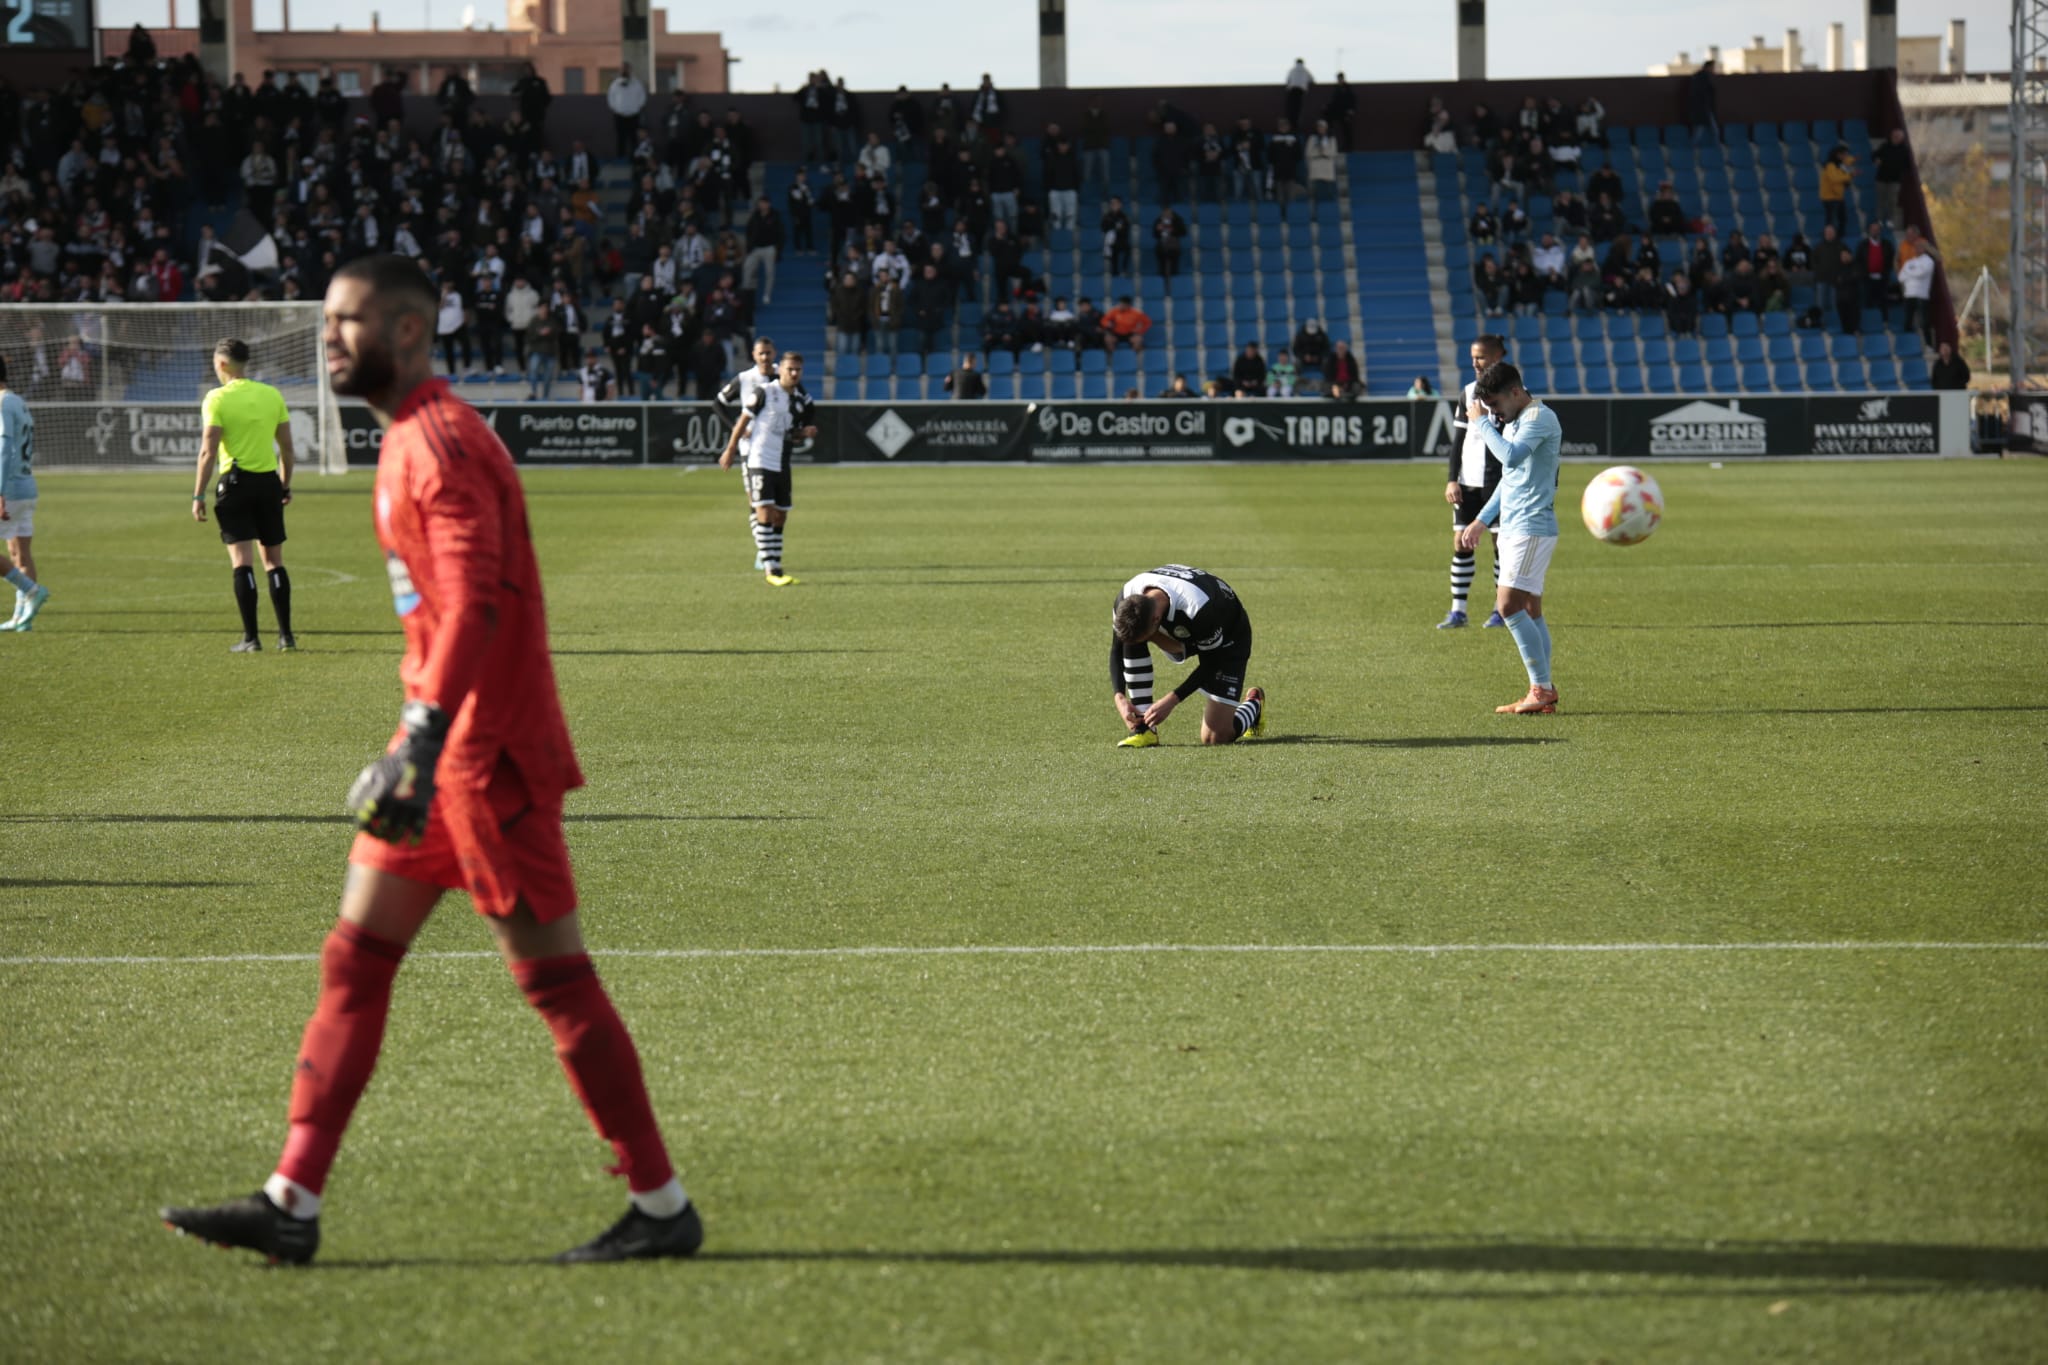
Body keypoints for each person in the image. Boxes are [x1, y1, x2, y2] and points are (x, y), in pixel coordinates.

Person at [160, 255, 700, 1267]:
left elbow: (474, 605)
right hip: (442, 755)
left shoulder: (441, 445)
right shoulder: (413, 435)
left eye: (348, 321)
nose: (328, 338)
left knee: (558, 985)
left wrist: (418, 738)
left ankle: (663, 1209)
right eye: (325, 320)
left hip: (485, 763)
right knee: (353, 961)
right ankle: (292, 1198)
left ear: (408, 331)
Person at [1455, 362, 1563, 714]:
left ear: (1515, 392)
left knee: (1507, 607)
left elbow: (1511, 457)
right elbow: (1510, 478)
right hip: (1518, 526)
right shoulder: (1519, 421)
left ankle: (1541, 689)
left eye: (1497, 405)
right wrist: (1481, 521)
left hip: (1530, 527)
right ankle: (1542, 690)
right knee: (1530, 609)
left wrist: (1481, 423)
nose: (1496, 414)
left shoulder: (1539, 419)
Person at [192, 340, 296, 653]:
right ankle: (286, 637)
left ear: (222, 364)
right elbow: (288, 449)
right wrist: (284, 485)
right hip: (268, 484)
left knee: (242, 562)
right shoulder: (271, 394)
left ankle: (251, 639)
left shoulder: (216, 399)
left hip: (236, 484)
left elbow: (208, 451)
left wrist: (198, 494)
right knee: (274, 562)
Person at [1109, 564, 1265, 749]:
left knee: (1215, 737)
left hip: (1227, 639)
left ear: (1156, 621)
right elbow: (1117, 647)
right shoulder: (1126, 597)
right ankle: (1144, 731)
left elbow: (1212, 662)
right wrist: (1119, 696)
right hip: (1182, 631)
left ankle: (1254, 705)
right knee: (1132, 638)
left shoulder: (1197, 607)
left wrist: (1172, 700)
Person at [717, 353, 815, 589]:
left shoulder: (799, 400)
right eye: (790, 369)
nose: (794, 374)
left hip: (782, 461)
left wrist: (804, 433)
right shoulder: (764, 392)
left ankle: (775, 563)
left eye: (798, 370)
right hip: (759, 459)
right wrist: (730, 449)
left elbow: (792, 433)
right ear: (779, 369)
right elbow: (743, 420)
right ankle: (772, 568)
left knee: (781, 514)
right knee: (764, 511)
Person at [1440, 334, 1507, 630]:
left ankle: (1500, 609)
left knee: (1500, 544)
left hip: (1499, 481)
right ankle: (1458, 611)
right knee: (1461, 542)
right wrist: (1451, 480)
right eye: (1473, 357)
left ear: (1497, 357)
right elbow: (1458, 441)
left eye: (1480, 357)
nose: (1475, 363)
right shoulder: (1468, 392)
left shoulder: (1515, 393)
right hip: (1468, 481)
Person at [0, 356, 50, 632]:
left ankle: (31, 591)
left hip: (10, 489)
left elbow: (5, 447)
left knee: (18, 554)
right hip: (27, 486)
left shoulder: (2, 403)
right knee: (19, 553)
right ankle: (22, 618)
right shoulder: (18, 401)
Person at [607, 63, 648, 159]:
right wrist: (616, 109)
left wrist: (636, 108)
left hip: (634, 115)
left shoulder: (637, 84)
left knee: (633, 138)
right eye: (622, 69)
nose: (624, 71)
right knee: (621, 138)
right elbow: (610, 98)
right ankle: (620, 158)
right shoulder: (615, 84)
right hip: (619, 115)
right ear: (620, 70)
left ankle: (635, 158)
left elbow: (642, 97)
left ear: (630, 70)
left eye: (626, 69)